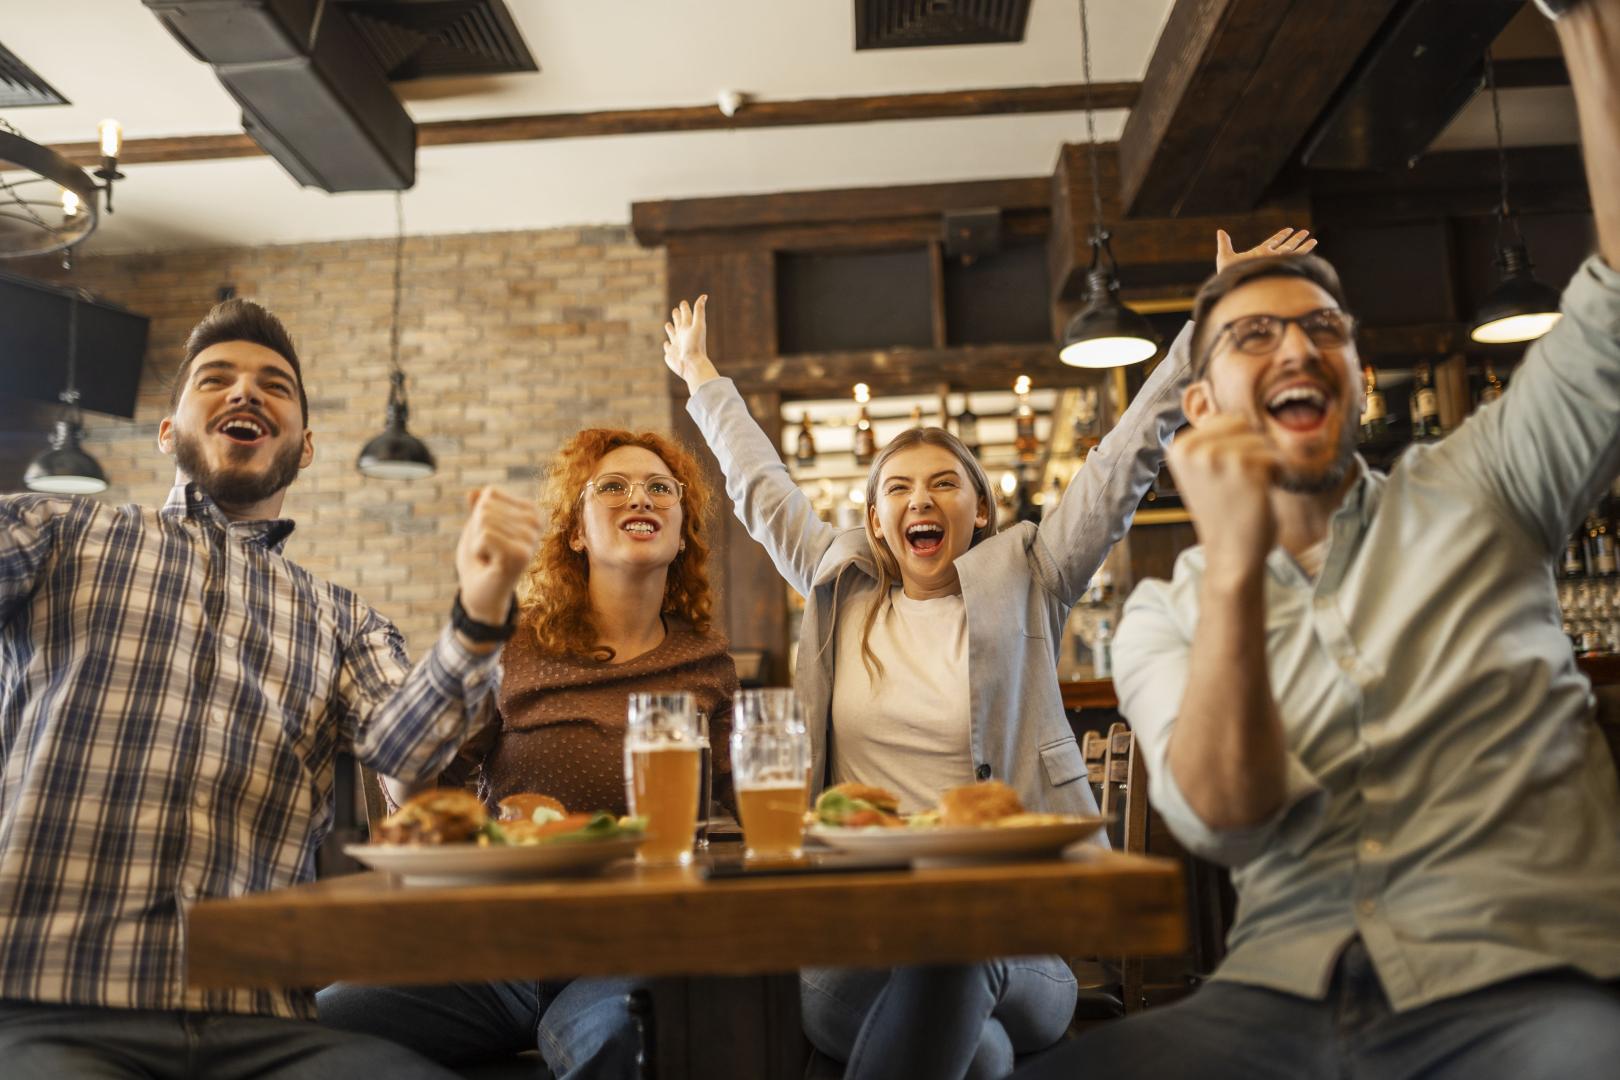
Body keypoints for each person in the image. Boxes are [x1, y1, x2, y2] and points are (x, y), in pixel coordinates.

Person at [1017, 5, 1620, 1079]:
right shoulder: (1167, 613)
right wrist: (1239, 568)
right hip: (1276, 1002)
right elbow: (1225, 819)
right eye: (1256, 334)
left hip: (1530, 983)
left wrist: (1589, 30)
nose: (1298, 344)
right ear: (1199, 405)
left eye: (1324, 331)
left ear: (1353, 376)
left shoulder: (1487, 483)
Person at [659, 229, 1313, 1080]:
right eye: (895, 488)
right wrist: (701, 379)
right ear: (874, 520)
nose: (918, 500)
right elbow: (758, 485)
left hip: (1016, 932)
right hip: (852, 936)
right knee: (984, 1053)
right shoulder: (836, 586)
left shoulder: (1032, 574)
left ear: (980, 508)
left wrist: (1213, 321)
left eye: (941, 484)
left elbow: (1125, 461)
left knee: (959, 951)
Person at [0, 299, 542, 1079]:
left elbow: (406, 753)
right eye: (215, 379)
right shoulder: (62, 535)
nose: (245, 393)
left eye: (274, 386)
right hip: (48, 1011)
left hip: (262, 1027)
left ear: (306, 446)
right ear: (168, 432)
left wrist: (481, 614)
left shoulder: (341, 619)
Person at [319, 428, 738, 1077]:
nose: (641, 497)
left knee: (620, 1042)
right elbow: (421, 798)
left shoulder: (707, 660)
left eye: (661, 487)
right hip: (495, 949)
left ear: (682, 532)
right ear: (575, 531)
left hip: (633, 946)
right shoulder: (515, 645)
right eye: (614, 486)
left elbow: (729, 818)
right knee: (306, 1025)